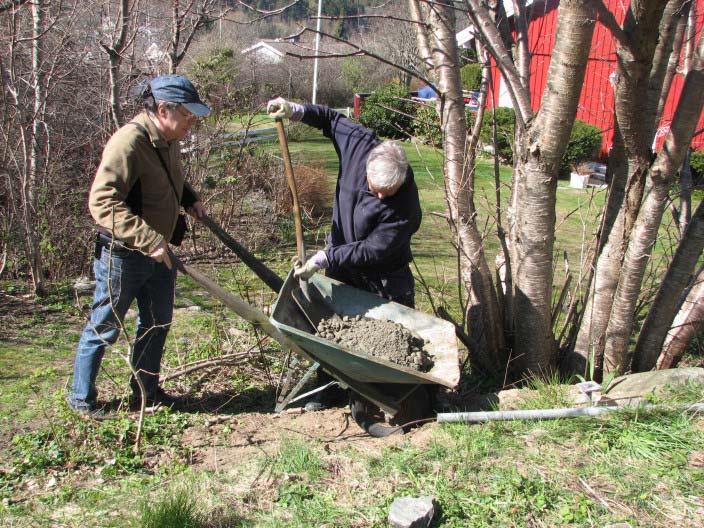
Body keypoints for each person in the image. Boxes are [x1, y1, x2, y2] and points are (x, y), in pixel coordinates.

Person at [68, 75, 210, 416]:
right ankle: (81, 399)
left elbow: (167, 176)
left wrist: (189, 199)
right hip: (124, 253)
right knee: (105, 325)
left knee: (158, 321)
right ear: (164, 109)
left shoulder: (169, 138)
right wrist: (148, 240)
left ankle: (146, 392)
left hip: (157, 251)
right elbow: (102, 203)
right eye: (188, 114)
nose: (193, 121)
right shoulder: (129, 142)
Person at [267, 98, 422, 409]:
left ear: (402, 178)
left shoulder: (405, 207)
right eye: (375, 188)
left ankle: (395, 397)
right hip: (342, 262)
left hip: (384, 276)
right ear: (366, 166)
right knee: (332, 330)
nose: (380, 196)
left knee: (391, 340)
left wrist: (325, 257)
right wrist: (294, 110)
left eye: (386, 193)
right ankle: (332, 389)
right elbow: (329, 118)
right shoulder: (359, 144)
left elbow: (373, 250)